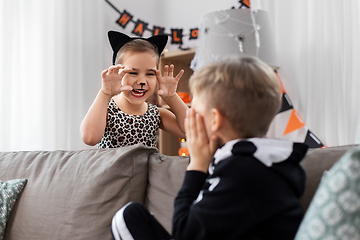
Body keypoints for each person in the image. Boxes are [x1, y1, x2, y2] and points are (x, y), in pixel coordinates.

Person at [111, 55, 309, 240]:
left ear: (214, 120)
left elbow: (186, 234)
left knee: (124, 221)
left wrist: (197, 166)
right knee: (130, 216)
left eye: (194, 110)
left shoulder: (243, 173)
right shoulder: (255, 162)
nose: (190, 118)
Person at [80, 31, 188, 148]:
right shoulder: (106, 110)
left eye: (150, 74)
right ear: (117, 72)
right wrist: (104, 93)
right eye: (133, 72)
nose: (142, 81)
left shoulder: (157, 114)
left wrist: (172, 97)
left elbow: (192, 131)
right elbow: (89, 138)